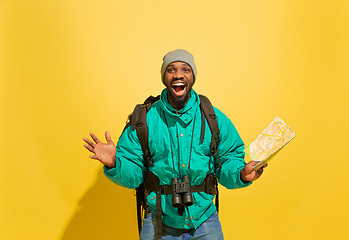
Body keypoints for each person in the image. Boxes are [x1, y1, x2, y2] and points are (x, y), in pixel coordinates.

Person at [83, 49, 266, 240]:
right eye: (171, 70)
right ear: (164, 77)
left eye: (185, 70)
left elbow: (228, 159)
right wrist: (114, 163)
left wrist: (241, 174)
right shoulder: (143, 119)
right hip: (158, 218)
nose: (178, 75)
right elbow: (134, 174)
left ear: (193, 76)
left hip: (204, 218)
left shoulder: (213, 117)